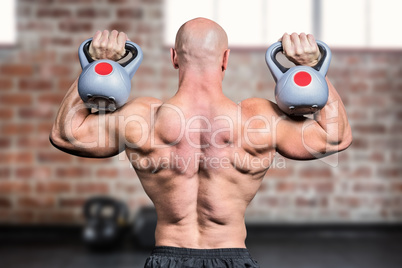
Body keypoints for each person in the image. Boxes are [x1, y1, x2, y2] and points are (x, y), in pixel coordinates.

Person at [50, 18, 352, 268]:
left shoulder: (141, 118)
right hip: (232, 258)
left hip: (167, 257)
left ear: (173, 57)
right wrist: (312, 69)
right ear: (225, 59)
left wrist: (96, 66)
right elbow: (335, 136)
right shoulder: (258, 119)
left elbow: (66, 134)